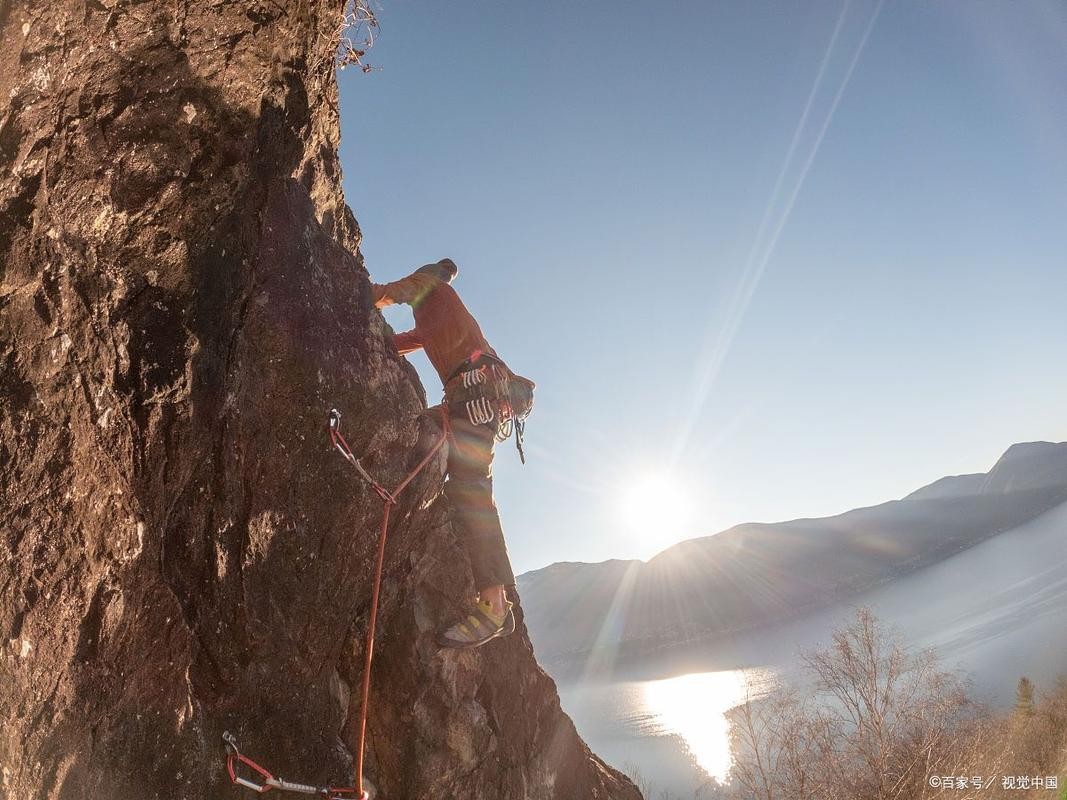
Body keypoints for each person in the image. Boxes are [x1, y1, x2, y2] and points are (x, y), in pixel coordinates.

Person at [371, 258, 522, 649]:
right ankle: (499, 602)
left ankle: (494, 604)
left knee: (470, 490)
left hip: (474, 398)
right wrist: (379, 342)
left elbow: (390, 293)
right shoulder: (435, 317)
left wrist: (354, 297)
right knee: (431, 440)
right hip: (473, 399)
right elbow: (404, 343)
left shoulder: (430, 288)